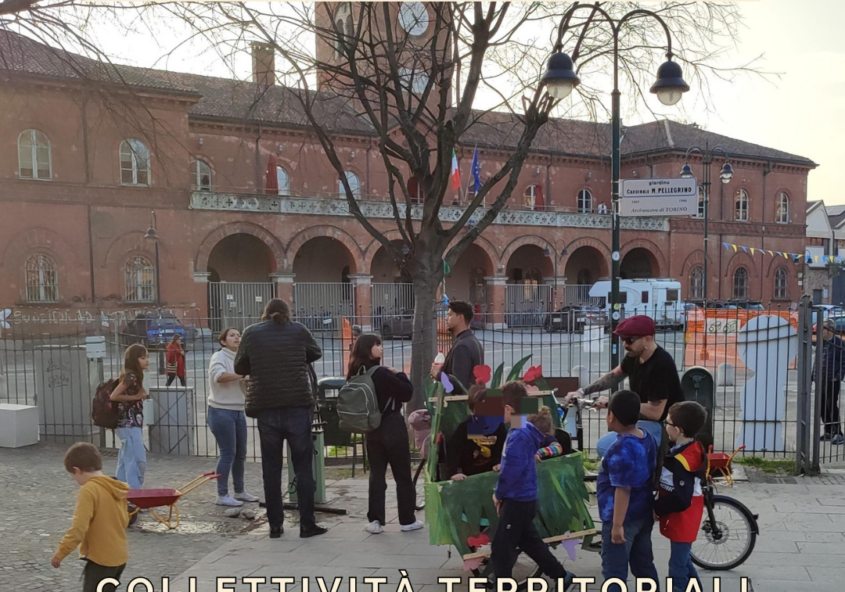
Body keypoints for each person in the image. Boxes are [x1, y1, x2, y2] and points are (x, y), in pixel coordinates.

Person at [234, 298, 327, 539]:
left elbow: (239, 367)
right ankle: (307, 524)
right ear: (287, 312)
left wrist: (259, 364)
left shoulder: (251, 333)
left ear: (265, 313)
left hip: (266, 407)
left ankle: (275, 525)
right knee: (303, 467)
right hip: (297, 407)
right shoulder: (298, 330)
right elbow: (316, 352)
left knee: (271, 468)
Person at [490, 381, 577, 590]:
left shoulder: (518, 434)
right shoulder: (522, 429)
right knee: (531, 543)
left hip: (516, 500)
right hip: (524, 499)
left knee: (501, 549)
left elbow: (511, 470)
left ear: (508, 408)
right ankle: (562, 576)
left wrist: (498, 494)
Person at [564, 315, 683, 466]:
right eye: (623, 339)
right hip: (642, 421)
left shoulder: (661, 365)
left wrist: (613, 404)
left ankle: (638, 477)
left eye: (630, 340)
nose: (625, 344)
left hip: (664, 426)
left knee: (607, 448)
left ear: (647, 338)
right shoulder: (634, 356)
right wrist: (582, 391)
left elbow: (655, 412)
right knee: (608, 445)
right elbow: (613, 376)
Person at [347, 333, 423, 534]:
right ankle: (407, 520)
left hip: (371, 428)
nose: (381, 348)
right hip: (392, 425)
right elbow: (407, 393)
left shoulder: (356, 372)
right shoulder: (381, 373)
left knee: (377, 475)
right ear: (368, 349)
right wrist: (400, 374)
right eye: (377, 345)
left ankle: (375, 520)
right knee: (402, 475)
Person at [597, 390, 660, 592]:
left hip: (622, 519)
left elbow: (623, 489)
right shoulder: (647, 438)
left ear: (611, 416)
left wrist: (616, 526)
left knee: (614, 573)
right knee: (644, 566)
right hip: (643, 514)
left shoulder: (620, 448)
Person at [52, 443, 129, 592]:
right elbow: (124, 520)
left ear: (77, 470)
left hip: (101, 559)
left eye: (73, 476)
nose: (75, 480)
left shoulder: (89, 490)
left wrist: (62, 552)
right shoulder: (115, 486)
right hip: (120, 556)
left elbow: (79, 528)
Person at [654, 402, 708, 592]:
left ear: (678, 430)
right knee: (684, 562)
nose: (664, 425)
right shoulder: (690, 447)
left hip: (684, 518)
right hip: (686, 517)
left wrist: (657, 508)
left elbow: (681, 498)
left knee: (677, 568)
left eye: (667, 422)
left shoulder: (682, 461)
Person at [207, 327, 259, 507]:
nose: (237, 338)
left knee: (240, 453)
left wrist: (248, 380)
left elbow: (243, 385)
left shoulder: (241, 359)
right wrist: (242, 375)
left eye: (239, 335)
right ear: (223, 341)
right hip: (221, 410)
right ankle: (222, 494)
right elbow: (219, 377)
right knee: (228, 453)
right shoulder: (219, 357)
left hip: (238, 410)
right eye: (232, 335)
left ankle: (239, 490)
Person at [446, 385, 508, 480]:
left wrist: (500, 463)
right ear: (472, 411)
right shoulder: (468, 426)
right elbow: (454, 450)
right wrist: (455, 472)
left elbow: (503, 448)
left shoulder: (498, 426)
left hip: (491, 473)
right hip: (468, 476)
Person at [110, 344, 149, 493]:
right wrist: (137, 396)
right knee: (137, 461)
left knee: (125, 461)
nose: (147, 360)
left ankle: (118, 490)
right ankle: (134, 494)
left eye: (147, 357)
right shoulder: (131, 376)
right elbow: (114, 396)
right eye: (143, 358)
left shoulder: (135, 376)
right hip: (128, 424)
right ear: (134, 360)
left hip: (130, 424)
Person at [431, 300, 484, 393]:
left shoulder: (462, 346)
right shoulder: (472, 341)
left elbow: (457, 386)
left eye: (450, 315)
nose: (446, 318)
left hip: (462, 401)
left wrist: (438, 374)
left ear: (460, 317)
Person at [813, 319, 845, 444]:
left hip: (832, 380)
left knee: (831, 405)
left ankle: (838, 433)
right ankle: (828, 430)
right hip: (820, 379)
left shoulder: (839, 344)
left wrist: (837, 376)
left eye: (822, 329)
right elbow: (817, 360)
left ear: (830, 330)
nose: (820, 332)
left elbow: (843, 362)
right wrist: (813, 374)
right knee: (822, 406)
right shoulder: (822, 342)